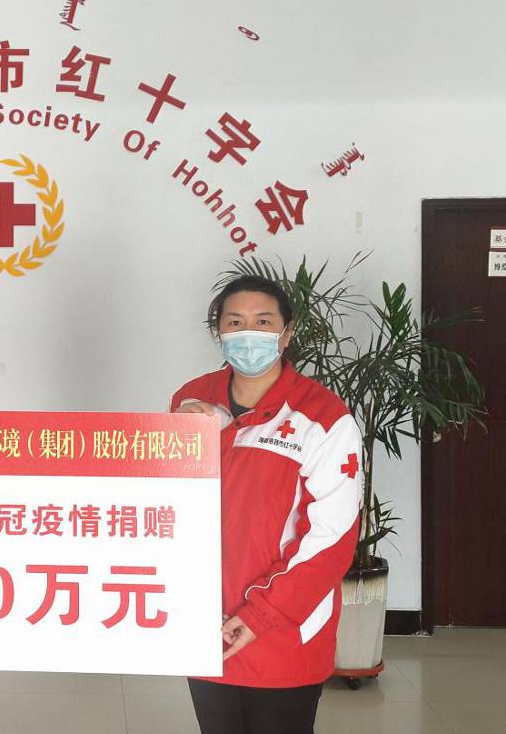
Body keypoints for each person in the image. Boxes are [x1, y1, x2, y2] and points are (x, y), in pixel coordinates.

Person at [170, 275, 362, 734]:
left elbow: (331, 539)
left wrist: (260, 615)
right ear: (218, 331)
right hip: (205, 620)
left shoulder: (323, 418)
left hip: (283, 629)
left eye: (263, 322)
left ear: (286, 332)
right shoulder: (191, 400)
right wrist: (183, 434)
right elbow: (170, 502)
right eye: (235, 322)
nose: (248, 333)